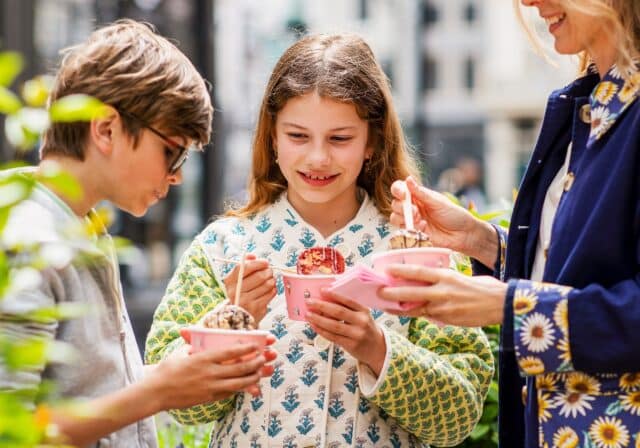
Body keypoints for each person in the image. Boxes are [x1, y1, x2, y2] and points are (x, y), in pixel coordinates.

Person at [145, 33, 494, 447]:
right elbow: (177, 404)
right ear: (272, 138)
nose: (317, 158)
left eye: (340, 139)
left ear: (372, 142)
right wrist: (231, 324)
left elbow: (458, 415)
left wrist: (377, 347)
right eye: (297, 136)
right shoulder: (222, 249)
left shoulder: (417, 251)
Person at [0, 20, 275, 448]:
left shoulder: (82, 228)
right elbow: (11, 430)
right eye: (172, 151)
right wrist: (159, 390)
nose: (177, 176)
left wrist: (186, 368)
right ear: (106, 129)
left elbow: (88, 392)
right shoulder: (27, 240)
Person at [380, 1, 640, 447]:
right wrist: (483, 243)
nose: (528, 2)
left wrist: (512, 308)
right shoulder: (590, 106)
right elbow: (577, 274)